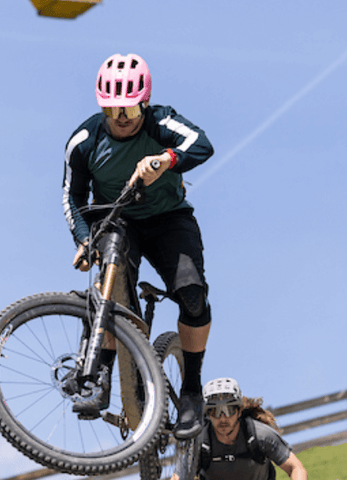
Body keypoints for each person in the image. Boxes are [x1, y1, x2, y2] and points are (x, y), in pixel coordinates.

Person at [62, 53, 214, 439]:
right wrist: (83, 238)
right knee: (108, 295)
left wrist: (166, 158)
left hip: (167, 220)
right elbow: (72, 195)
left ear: (144, 102)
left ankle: (192, 389)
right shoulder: (84, 140)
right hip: (117, 220)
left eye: (129, 107)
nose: (121, 116)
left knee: (192, 295)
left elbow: (202, 143)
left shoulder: (161, 121)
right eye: (111, 108)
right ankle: (99, 380)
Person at [197, 377, 308, 479]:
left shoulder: (261, 436)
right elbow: (179, 475)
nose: (223, 418)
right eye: (215, 411)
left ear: (239, 411)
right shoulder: (197, 444)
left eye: (228, 410)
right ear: (207, 414)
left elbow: (295, 468)